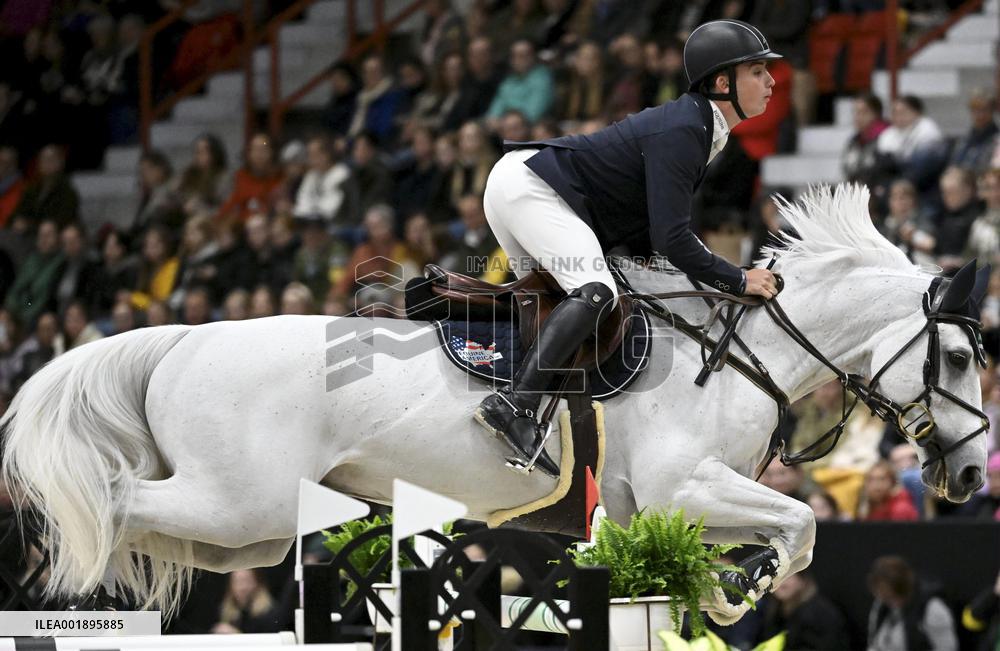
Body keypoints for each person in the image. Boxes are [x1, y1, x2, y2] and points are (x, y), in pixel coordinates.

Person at [474, 20, 780, 475]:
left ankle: (542, 411)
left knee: (564, 304)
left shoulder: (701, 127)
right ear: (723, 82)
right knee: (596, 291)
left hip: (525, 186)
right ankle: (512, 406)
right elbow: (672, 238)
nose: (772, 81)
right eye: (758, 71)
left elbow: (647, 230)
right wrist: (737, 277)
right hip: (533, 187)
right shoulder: (685, 129)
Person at [867, 556, 958, 651]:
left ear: (903, 590)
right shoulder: (882, 606)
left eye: (889, 597)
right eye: (882, 597)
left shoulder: (933, 609)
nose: (883, 600)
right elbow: (875, 645)